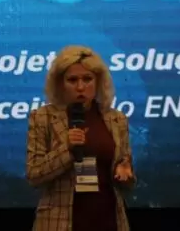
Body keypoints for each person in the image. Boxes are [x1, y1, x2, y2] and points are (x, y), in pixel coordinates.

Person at [26, 45, 135, 231]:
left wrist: (125, 172)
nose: (80, 87)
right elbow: (34, 175)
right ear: (60, 84)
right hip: (59, 223)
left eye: (87, 79)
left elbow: (127, 177)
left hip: (109, 219)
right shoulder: (42, 118)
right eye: (72, 80)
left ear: (98, 81)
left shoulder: (117, 119)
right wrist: (67, 149)